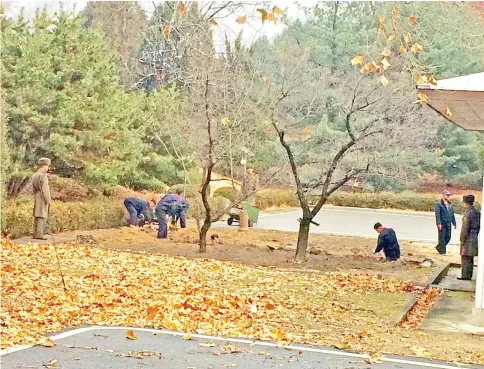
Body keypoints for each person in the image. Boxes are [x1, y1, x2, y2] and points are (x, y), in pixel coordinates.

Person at [458, 195, 480, 280]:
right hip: (474, 235)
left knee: (465, 256)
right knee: (470, 257)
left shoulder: (468, 212)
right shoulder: (476, 212)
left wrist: (462, 239)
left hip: (468, 236)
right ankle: (468, 274)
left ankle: (465, 275)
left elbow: (465, 227)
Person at [32, 157, 52, 240]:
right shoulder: (43, 175)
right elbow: (45, 189)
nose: (47, 168)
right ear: (44, 166)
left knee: (37, 215)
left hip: (37, 195)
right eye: (47, 166)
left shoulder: (35, 175)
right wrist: (48, 200)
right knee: (42, 215)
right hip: (42, 197)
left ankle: (35, 233)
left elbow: (33, 188)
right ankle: (39, 235)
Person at [435, 190, 457, 255]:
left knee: (448, 237)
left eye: (449, 195)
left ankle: (439, 247)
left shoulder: (450, 204)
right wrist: (438, 223)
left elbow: (452, 213)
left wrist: (454, 222)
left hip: (448, 223)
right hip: (442, 223)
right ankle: (442, 252)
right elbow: (437, 215)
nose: (448, 196)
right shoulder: (439, 204)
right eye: (447, 195)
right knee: (442, 237)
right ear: (443, 195)